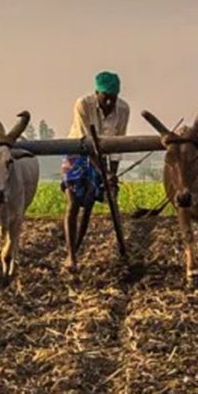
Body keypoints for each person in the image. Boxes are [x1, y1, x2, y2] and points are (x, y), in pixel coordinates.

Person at [61, 71, 130, 273]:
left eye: (113, 98)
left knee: (89, 204)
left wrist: (112, 174)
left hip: (103, 158)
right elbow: (87, 143)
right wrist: (104, 172)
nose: (109, 102)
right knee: (73, 202)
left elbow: (118, 143)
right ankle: (71, 255)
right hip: (77, 153)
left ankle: (75, 250)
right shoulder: (83, 105)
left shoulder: (123, 109)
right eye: (105, 97)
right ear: (96, 93)